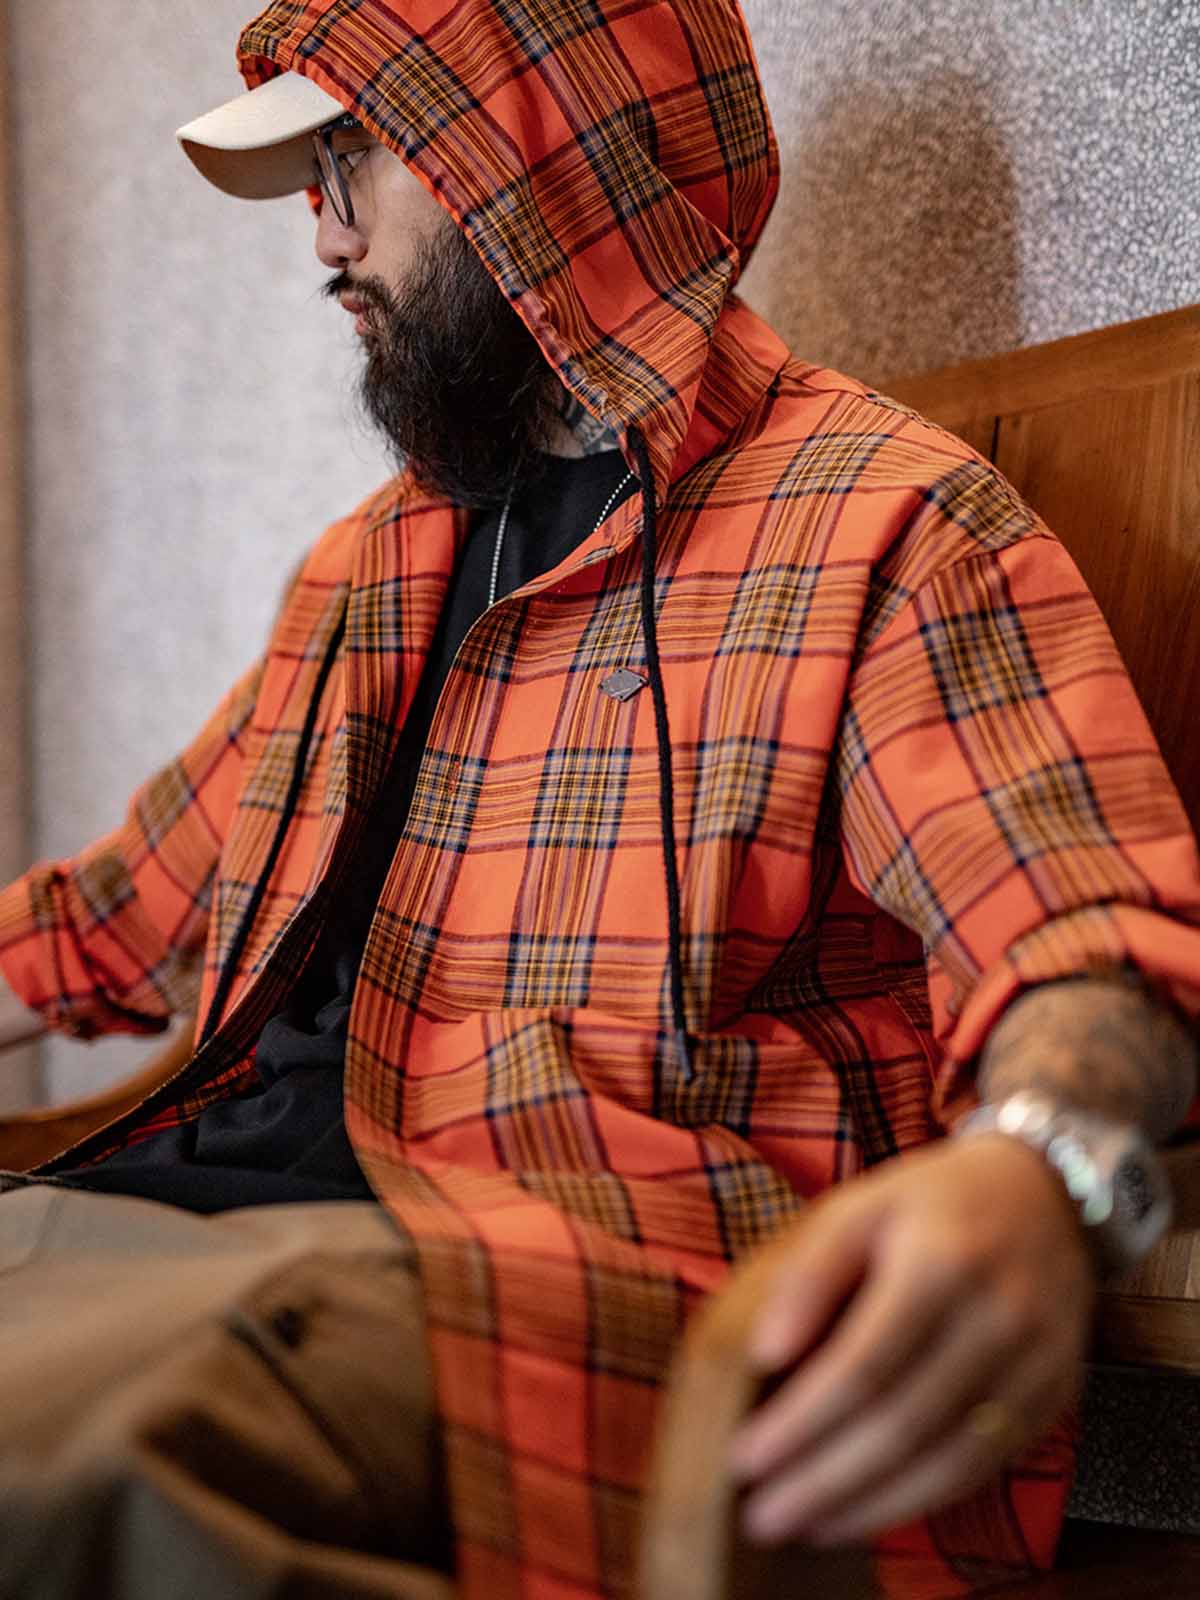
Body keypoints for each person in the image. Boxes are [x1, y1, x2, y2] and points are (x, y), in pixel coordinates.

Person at [0, 1, 1198, 1596]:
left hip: (526, 1286)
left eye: (353, 157)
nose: (325, 235)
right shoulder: (369, 568)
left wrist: (1043, 1168)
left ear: (531, 161)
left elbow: (1088, 934)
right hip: (157, 1229)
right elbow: (114, 911)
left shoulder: (887, 527)